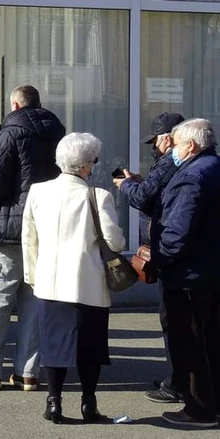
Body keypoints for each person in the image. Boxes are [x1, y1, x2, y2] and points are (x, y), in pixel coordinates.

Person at [0, 85, 65, 390]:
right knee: (34, 304)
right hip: (46, 231)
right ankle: (27, 373)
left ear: (15, 104)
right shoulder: (59, 134)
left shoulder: (10, 132)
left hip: (8, 231)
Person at [22, 133, 125, 424]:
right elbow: (114, 243)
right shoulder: (98, 196)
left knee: (53, 346)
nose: (94, 166)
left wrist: (33, 275)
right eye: (93, 161)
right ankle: (88, 404)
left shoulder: (38, 191)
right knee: (90, 348)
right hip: (88, 283)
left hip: (50, 282)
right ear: (85, 166)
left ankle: (54, 403)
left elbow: (29, 238)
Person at [113, 112, 185, 404]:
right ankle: (178, 379)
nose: (152, 147)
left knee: (175, 322)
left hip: (171, 256)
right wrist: (142, 183)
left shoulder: (171, 161)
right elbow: (156, 194)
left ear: (167, 138)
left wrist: (126, 186)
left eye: (154, 140)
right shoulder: (185, 163)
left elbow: (144, 198)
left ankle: (177, 383)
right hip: (179, 256)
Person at [154, 119, 220, 428]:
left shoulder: (192, 176)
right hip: (210, 273)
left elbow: (176, 235)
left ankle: (199, 410)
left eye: (176, 146)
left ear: (190, 146)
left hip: (190, 277)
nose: (172, 153)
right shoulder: (214, 168)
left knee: (191, 344)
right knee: (211, 342)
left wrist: (156, 259)